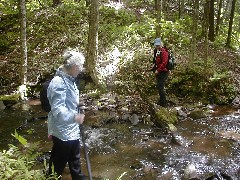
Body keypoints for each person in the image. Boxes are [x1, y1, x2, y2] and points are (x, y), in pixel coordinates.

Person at [47, 50, 86, 180]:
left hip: (72, 131)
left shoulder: (69, 79)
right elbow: (58, 111)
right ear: (75, 66)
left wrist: (77, 104)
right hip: (62, 133)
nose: (81, 69)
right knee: (56, 168)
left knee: (75, 164)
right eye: (81, 66)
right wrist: (75, 117)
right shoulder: (58, 82)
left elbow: (68, 101)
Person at [152, 38, 169, 107]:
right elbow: (156, 61)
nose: (157, 46)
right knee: (159, 87)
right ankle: (161, 101)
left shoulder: (164, 52)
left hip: (163, 72)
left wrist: (158, 70)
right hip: (159, 72)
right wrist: (154, 67)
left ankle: (164, 104)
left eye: (158, 45)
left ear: (161, 44)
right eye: (156, 45)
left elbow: (164, 63)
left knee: (160, 87)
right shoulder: (156, 51)